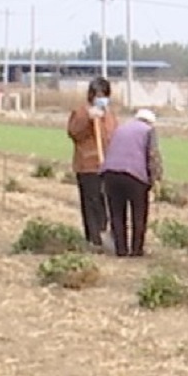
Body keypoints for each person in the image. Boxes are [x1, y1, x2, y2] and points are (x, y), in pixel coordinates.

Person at [101, 106, 163, 257]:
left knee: (117, 213)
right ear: (150, 122)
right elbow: (153, 155)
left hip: (110, 173)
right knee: (139, 213)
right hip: (134, 175)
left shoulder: (121, 128)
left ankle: (121, 250)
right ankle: (136, 250)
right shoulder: (148, 131)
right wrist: (156, 178)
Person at [64, 76, 117, 247]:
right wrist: (88, 118)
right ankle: (94, 239)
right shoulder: (81, 112)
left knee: (106, 201)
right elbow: (74, 132)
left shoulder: (109, 114)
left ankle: (105, 233)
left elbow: (113, 135)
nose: (101, 98)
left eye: (104, 95)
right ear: (91, 95)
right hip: (88, 165)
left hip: (107, 164)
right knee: (91, 202)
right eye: (98, 95)